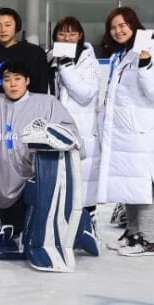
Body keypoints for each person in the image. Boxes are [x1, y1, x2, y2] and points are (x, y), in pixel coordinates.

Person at [0, 61, 81, 262]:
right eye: (7, 80)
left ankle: (82, 226)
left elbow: (71, 135)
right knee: (8, 232)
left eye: (17, 79)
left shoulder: (47, 103)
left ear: (27, 81)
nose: (12, 84)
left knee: (30, 233)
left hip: (32, 182)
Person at [97, 7, 154, 257]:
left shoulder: (153, 56)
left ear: (134, 25)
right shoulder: (123, 55)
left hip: (139, 132)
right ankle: (132, 233)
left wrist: (147, 64)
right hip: (122, 132)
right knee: (129, 184)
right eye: (113, 27)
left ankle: (147, 239)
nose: (118, 31)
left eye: (122, 25)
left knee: (144, 184)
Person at [47, 16, 101, 240]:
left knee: (84, 182)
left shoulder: (90, 63)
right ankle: (61, 226)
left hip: (82, 130)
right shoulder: (49, 59)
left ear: (80, 36)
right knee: (59, 182)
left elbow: (85, 94)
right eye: (62, 33)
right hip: (54, 127)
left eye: (72, 33)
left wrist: (67, 65)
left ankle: (89, 225)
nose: (67, 37)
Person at [0, 7, 49, 100]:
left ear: (17, 27)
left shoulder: (34, 53)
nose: (3, 30)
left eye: (7, 25)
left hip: (22, 109)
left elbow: (40, 89)